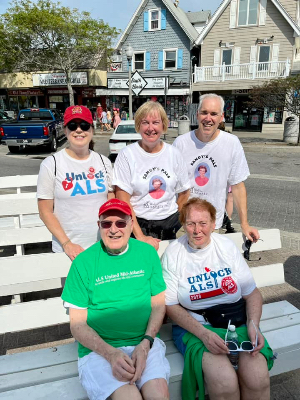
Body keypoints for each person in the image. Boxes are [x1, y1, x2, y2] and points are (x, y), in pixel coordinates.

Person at [162, 198, 274, 400]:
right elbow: (170, 305)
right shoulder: (174, 253)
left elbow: (252, 293)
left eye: (203, 223)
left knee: (257, 378)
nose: (197, 230)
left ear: (213, 224)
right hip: (196, 328)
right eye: (191, 223)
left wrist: (253, 325)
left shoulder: (225, 247)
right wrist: (204, 335)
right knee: (224, 381)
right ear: (183, 225)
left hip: (236, 323)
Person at [61, 198, 170, 400]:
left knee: (159, 396)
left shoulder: (146, 253)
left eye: (121, 223)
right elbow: (77, 325)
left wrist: (146, 343)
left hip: (145, 341)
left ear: (130, 224)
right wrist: (111, 353)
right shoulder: (83, 263)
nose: (114, 229)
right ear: (99, 226)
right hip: (99, 350)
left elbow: (158, 305)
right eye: (106, 223)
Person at [173, 93, 259, 242]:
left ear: (221, 117)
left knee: (209, 265)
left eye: (214, 114)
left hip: (213, 225)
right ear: (198, 114)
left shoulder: (231, 143)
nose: (208, 118)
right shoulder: (181, 143)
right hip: (183, 224)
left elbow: (238, 186)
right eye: (204, 113)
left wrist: (245, 224)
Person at [37, 105, 114, 261]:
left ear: (92, 130)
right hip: (68, 250)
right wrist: (67, 244)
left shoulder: (103, 161)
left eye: (84, 125)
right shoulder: (51, 164)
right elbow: (45, 212)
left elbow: (111, 201)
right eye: (73, 126)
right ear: (65, 130)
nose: (79, 130)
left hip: (102, 246)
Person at [113, 101, 190, 250]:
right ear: (138, 126)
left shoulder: (174, 154)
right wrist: (140, 236)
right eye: (145, 123)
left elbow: (185, 192)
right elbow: (122, 200)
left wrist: (175, 221)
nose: (150, 128)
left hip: (169, 227)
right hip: (138, 227)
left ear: (163, 125)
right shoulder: (127, 155)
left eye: (155, 122)